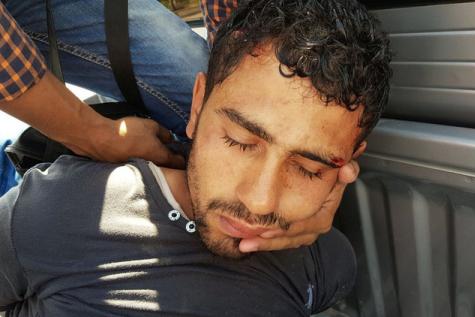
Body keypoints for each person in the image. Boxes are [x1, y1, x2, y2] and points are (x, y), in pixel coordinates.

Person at [0, 0, 392, 316]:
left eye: (310, 168)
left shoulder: (328, 266)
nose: (260, 202)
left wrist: (246, 62)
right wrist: (92, 134)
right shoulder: (49, 214)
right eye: (239, 140)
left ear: (348, 164)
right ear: (197, 104)